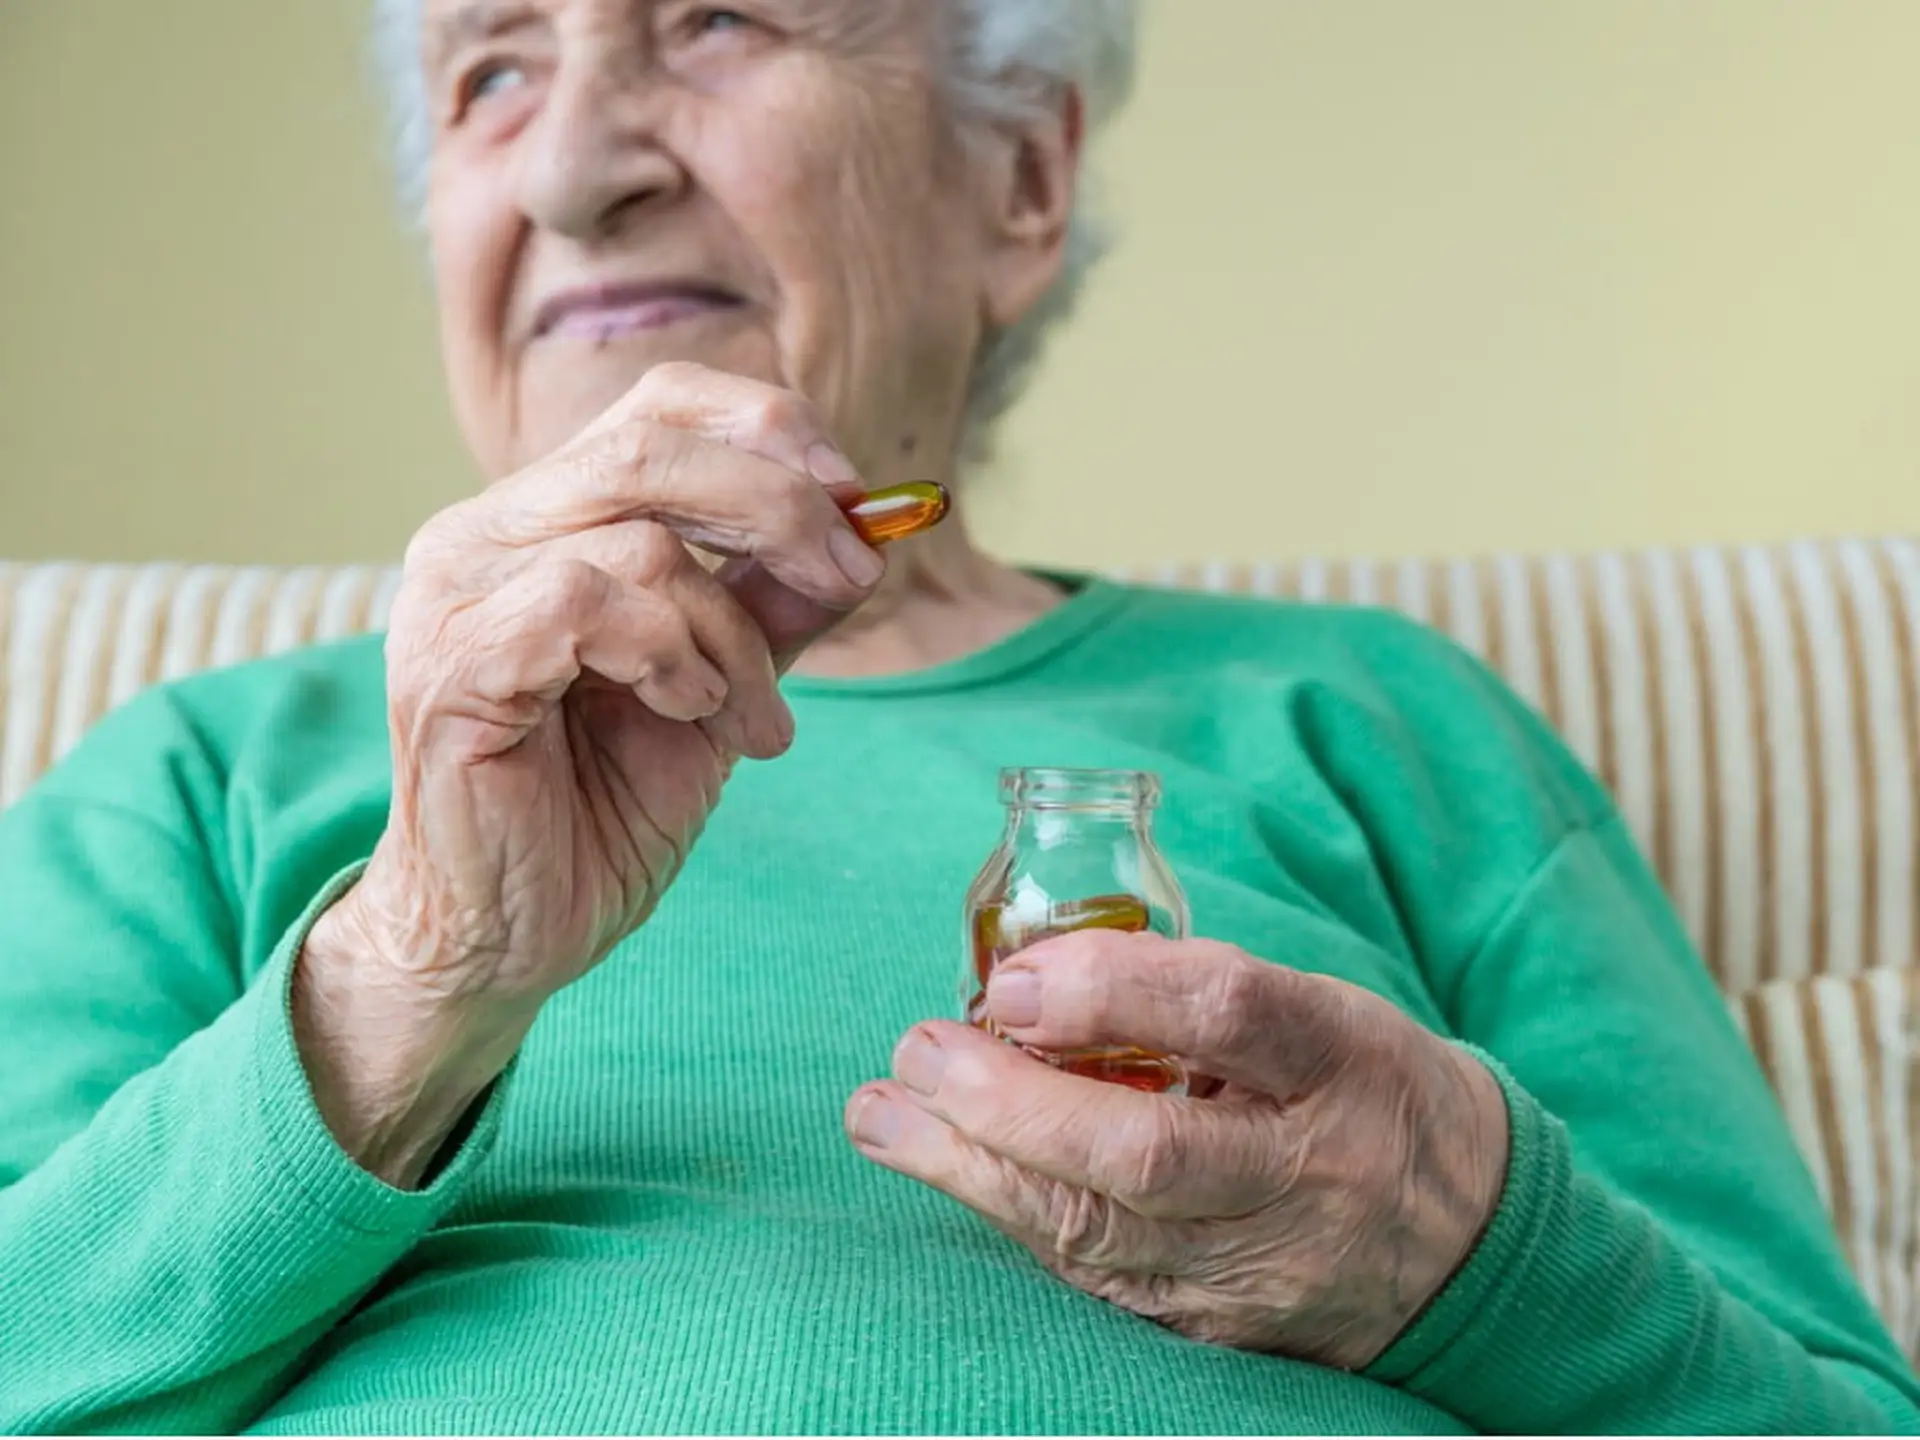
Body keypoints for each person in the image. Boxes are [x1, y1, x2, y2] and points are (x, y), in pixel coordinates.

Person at [1, 0, 1915, 1432]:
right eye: (491, 71)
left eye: (721, 19)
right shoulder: (192, 772)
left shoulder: (1378, 718)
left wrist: (1473, 1255)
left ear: (1021, 179)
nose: (578, 166)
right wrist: (413, 968)